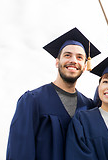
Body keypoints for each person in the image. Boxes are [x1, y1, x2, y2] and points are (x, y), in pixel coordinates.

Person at [6, 27, 100, 160]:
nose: (73, 60)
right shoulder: (32, 100)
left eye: (79, 57)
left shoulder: (88, 106)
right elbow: (20, 152)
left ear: (84, 66)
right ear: (57, 62)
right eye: (67, 55)